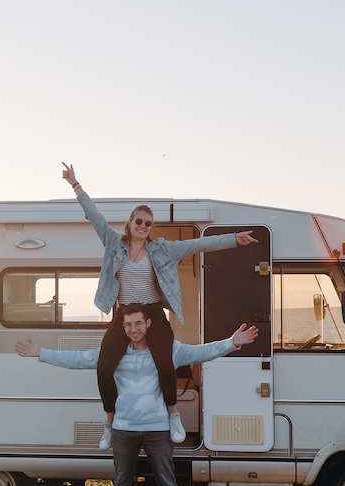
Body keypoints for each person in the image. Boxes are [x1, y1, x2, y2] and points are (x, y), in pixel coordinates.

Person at [15, 303, 258, 486]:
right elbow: (79, 359)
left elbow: (202, 352)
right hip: (123, 428)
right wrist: (42, 353)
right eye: (128, 325)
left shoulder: (167, 351)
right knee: (120, 485)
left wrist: (233, 342)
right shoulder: (114, 353)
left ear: (148, 323)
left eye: (138, 324)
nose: (133, 329)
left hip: (157, 428)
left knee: (168, 485)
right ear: (123, 327)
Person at [62, 162, 257, 450]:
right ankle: (109, 423)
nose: (143, 226)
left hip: (153, 313)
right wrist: (75, 185)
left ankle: (173, 416)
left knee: (165, 362)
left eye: (148, 223)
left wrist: (233, 240)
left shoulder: (162, 248)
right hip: (124, 314)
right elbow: (94, 216)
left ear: (151, 228)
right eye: (138, 221)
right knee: (104, 366)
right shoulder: (114, 243)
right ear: (130, 223)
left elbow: (198, 245)